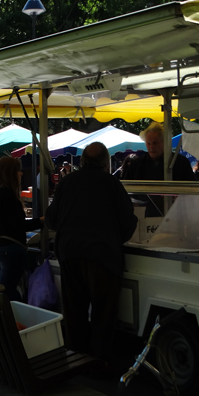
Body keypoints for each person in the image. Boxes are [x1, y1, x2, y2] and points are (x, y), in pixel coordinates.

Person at [45, 142, 137, 362]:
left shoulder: (67, 183)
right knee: (103, 314)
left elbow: (51, 218)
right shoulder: (112, 183)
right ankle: (98, 363)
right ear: (107, 163)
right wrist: (112, 239)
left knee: (74, 312)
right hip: (102, 256)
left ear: (83, 161)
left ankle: (76, 360)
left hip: (70, 253)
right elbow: (128, 223)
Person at [0, 157, 43, 301]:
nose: (21, 174)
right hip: (10, 250)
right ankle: (7, 322)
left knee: (3, 290)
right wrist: (41, 221)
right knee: (7, 294)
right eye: (18, 171)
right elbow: (19, 225)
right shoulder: (7, 194)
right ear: (11, 173)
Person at [123, 121, 195, 216]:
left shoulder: (180, 162)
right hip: (144, 217)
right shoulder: (136, 164)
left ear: (164, 142)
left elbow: (192, 190)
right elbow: (125, 191)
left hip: (175, 215)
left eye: (155, 143)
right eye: (148, 143)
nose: (151, 147)